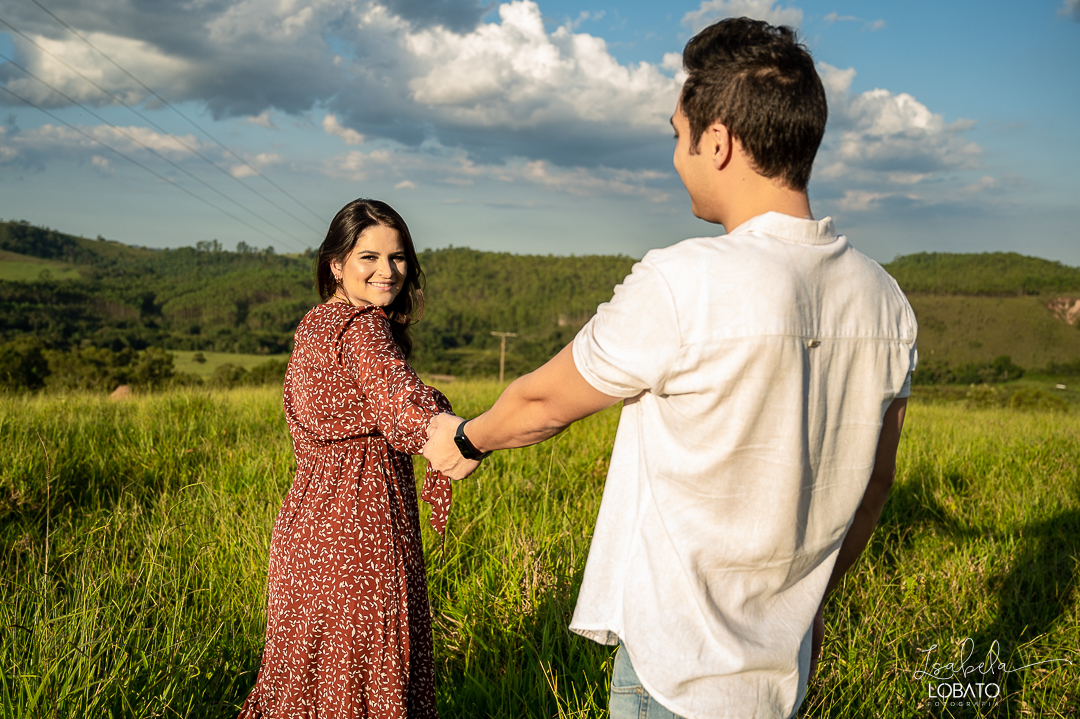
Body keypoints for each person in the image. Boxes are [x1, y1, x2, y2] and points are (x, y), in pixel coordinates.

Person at [423, 17, 917, 719]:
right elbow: (874, 484)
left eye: (676, 135)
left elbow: (543, 404)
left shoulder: (684, 281)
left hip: (674, 677)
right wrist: (807, 610)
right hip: (783, 675)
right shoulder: (886, 301)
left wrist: (466, 439)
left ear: (717, 142)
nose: (676, 156)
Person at [239, 198, 454, 719]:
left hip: (306, 539)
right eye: (369, 258)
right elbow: (402, 407)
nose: (388, 271)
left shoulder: (314, 326)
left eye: (398, 258)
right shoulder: (362, 329)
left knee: (304, 688)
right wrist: (459, 435)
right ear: (336, 264)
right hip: (363, 539)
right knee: (365, 687)